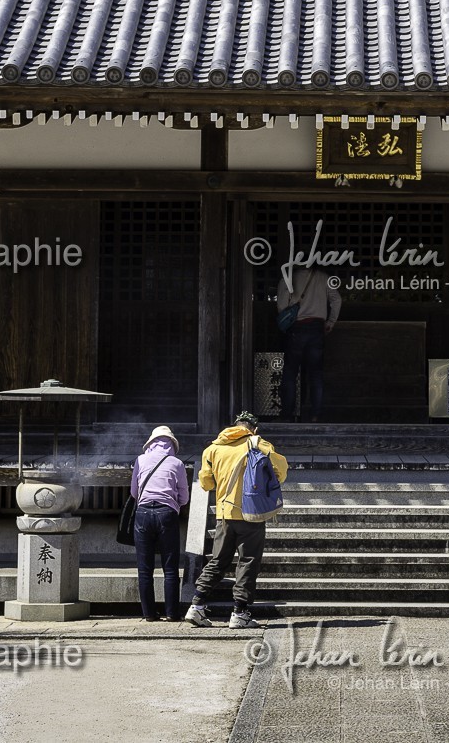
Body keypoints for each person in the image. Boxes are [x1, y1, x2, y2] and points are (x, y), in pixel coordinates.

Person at [185, 411, 288, 629]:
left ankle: (196, 605)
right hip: (251, 514)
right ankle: (240, 612)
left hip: (224, 514)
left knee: (218, 561)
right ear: (254, 429)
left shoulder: (212, 449)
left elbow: (206, 483)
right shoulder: (259, 444)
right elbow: (281, 471)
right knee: (248, 561)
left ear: (233, 426)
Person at [131, 425, 190, 622]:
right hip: (167, 514)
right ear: (172, 444)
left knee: (144, 568)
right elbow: (184, 496)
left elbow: (133, 492)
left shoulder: (140, 460)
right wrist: (172, 504)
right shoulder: (177, 463)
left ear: (151, 443)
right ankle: (172, 613)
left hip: (143, 513)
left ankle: (149, 613)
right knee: (170, 567)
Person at [275, 265, 341, 422]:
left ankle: (287, 416)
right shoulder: (324, 278)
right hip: (317, 328)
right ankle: (315, 415)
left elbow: (282, 306)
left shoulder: (288, 278)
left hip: (297, 327)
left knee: (290, 373)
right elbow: (336, 299)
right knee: (316, 374)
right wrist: (331, 321)